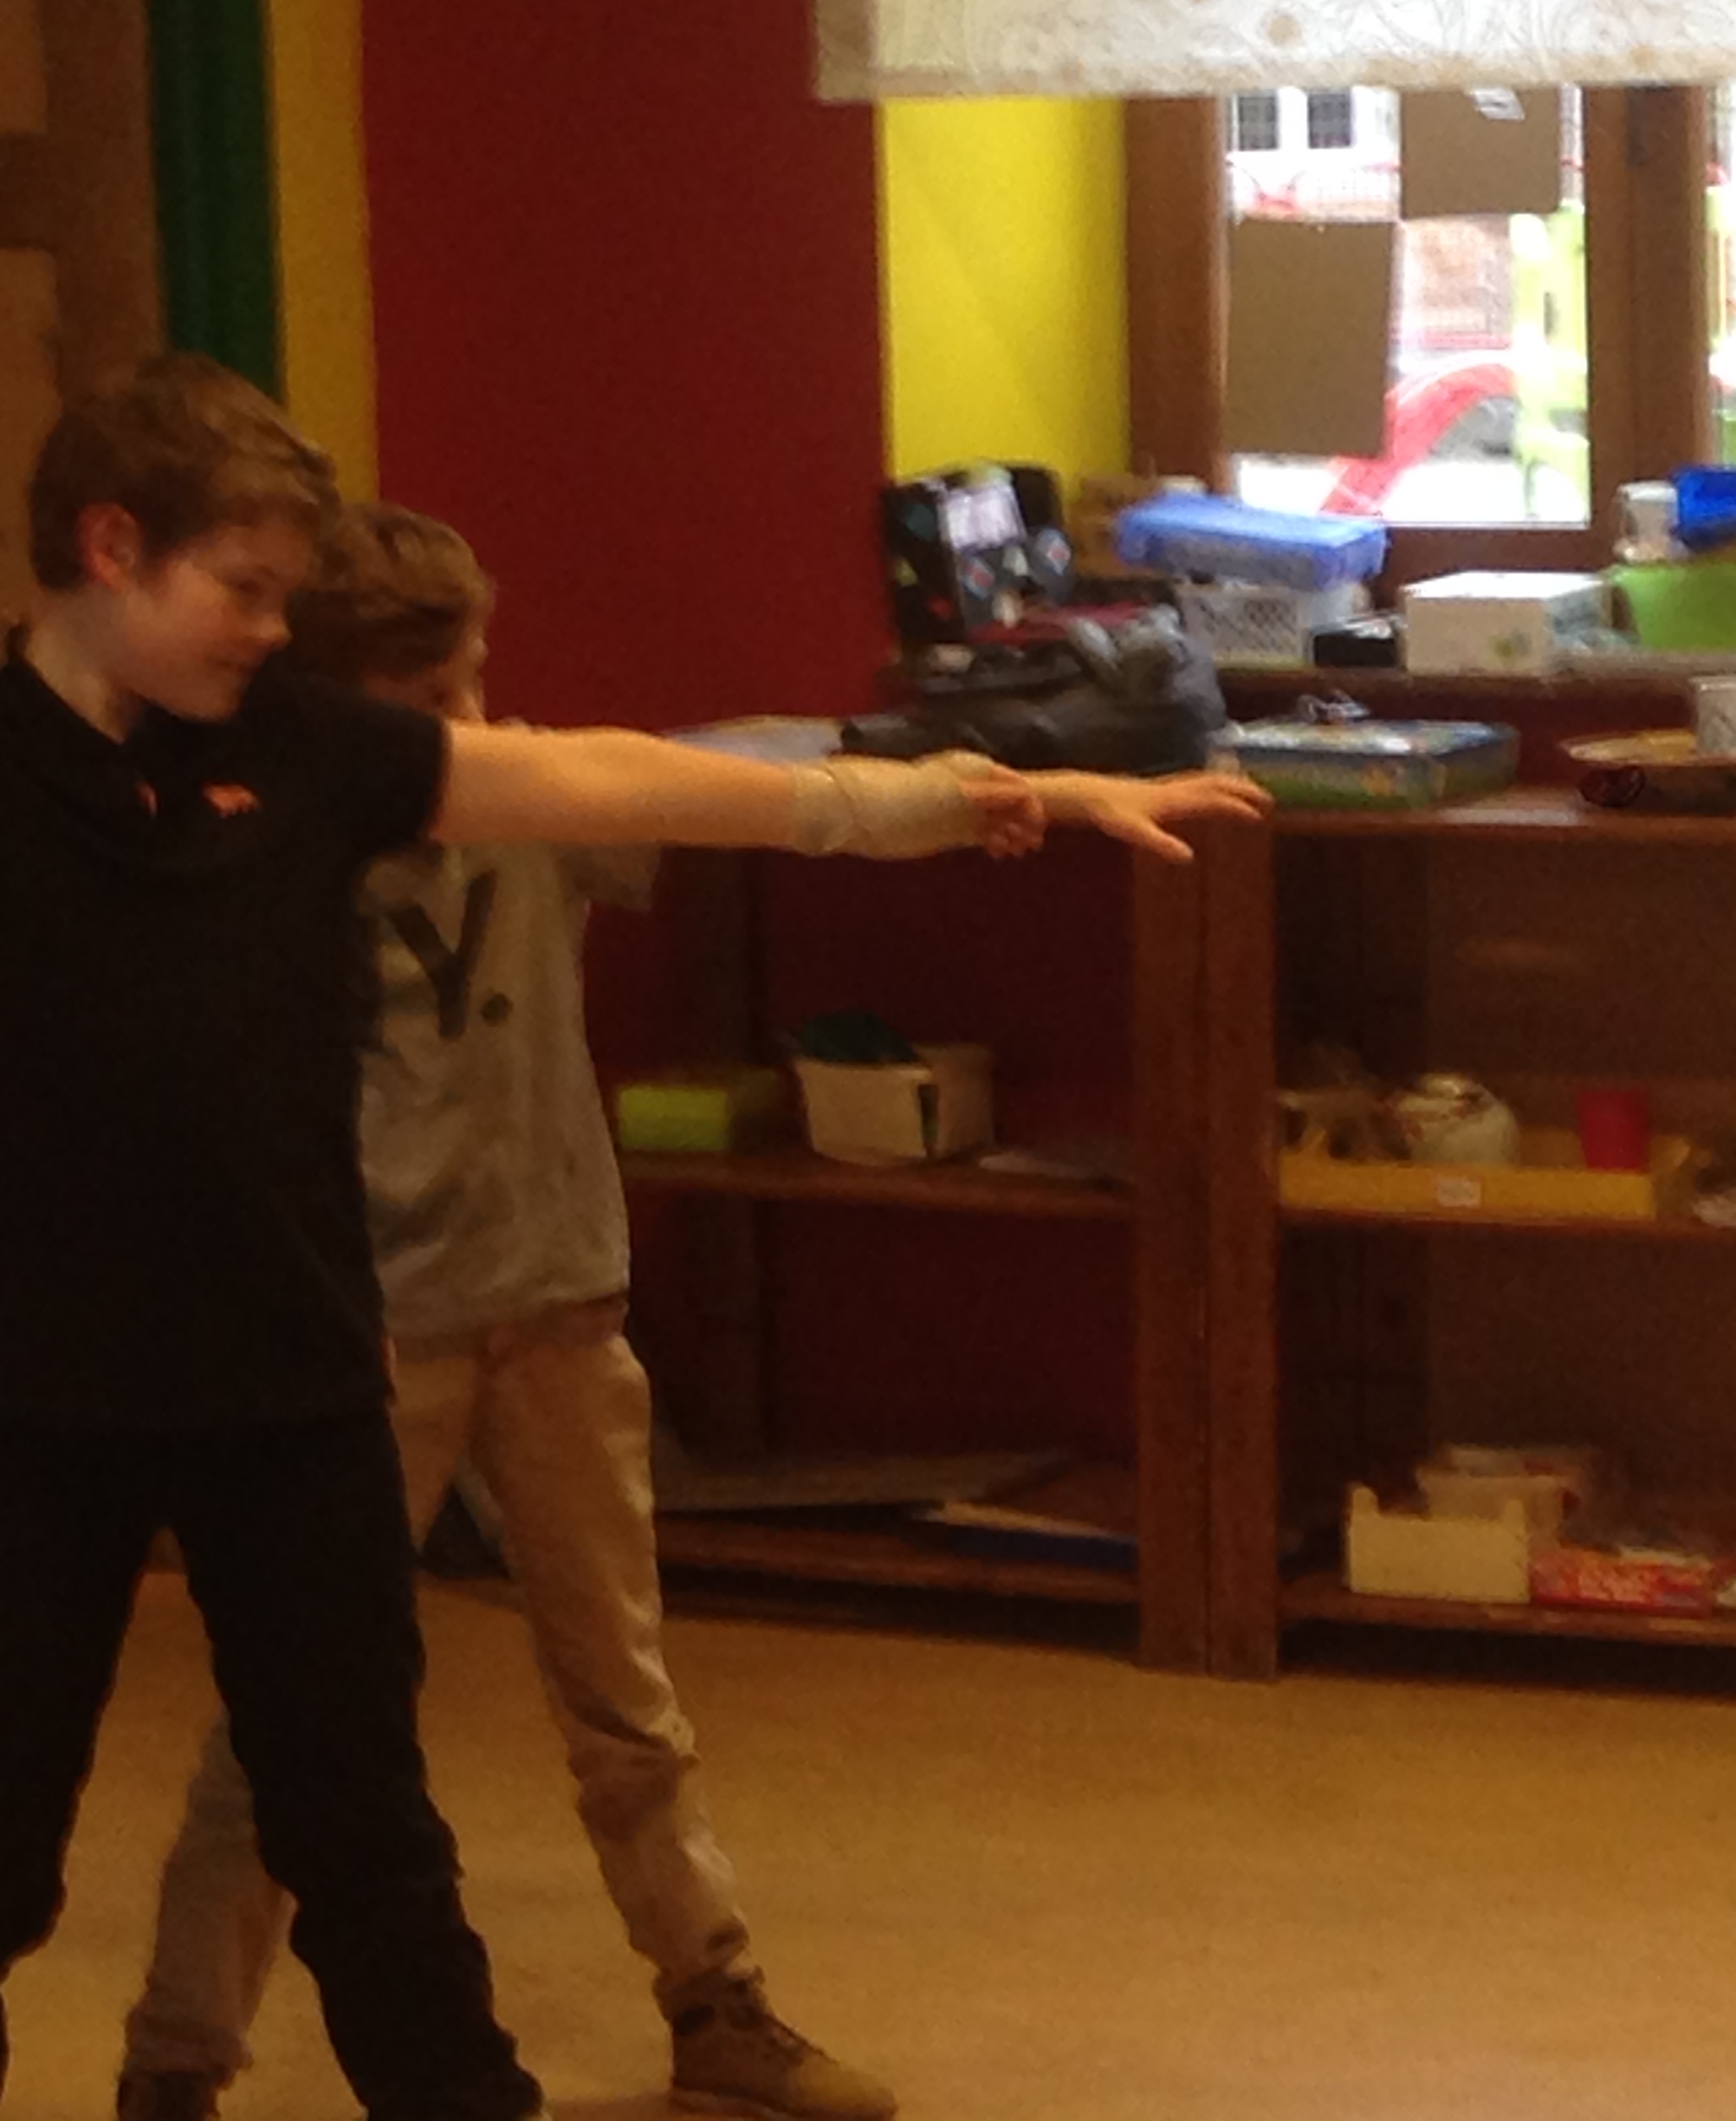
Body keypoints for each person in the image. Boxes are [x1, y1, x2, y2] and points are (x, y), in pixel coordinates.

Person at [0, 354, 1262, 2121]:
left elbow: (613, 783)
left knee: (364, 1834)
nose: (272, 633)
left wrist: (983, 794)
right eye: (244, 591)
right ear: (109, 548)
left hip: (292, 1388)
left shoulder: (302, 751)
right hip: (39, 1409)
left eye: (288, 597)